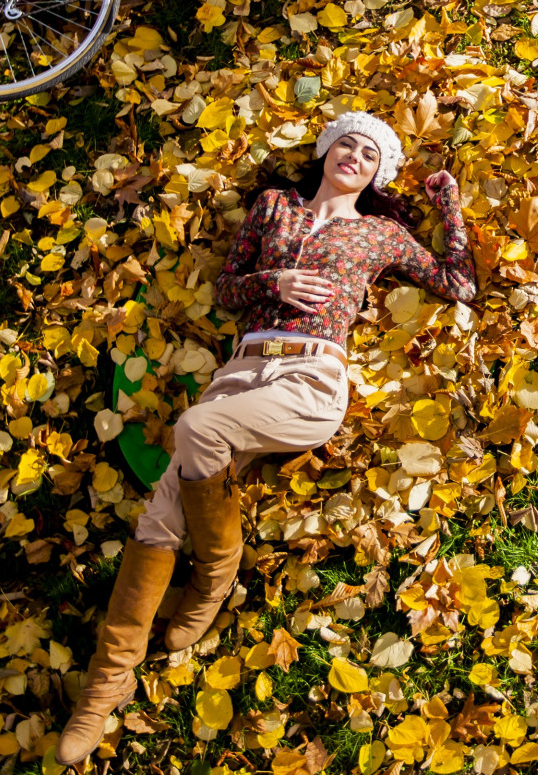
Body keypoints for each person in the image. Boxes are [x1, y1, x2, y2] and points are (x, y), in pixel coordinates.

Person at [55, 111, 477, 765]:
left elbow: (459, 282)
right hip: (240, 372)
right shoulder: (274, 206)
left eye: (371, 153)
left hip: (310, 382)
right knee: (156, 519)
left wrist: (447, 203)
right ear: (328, 150)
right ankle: (107, 686)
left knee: (194, 427)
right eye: (349, 143)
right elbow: (227, 290)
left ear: (376, 174)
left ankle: (214, 577)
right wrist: (270, 284)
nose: (356, 155)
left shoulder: (377, 235)